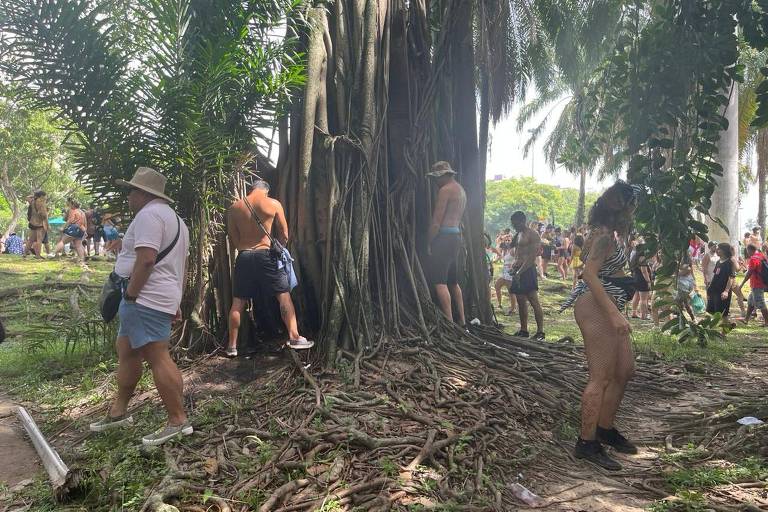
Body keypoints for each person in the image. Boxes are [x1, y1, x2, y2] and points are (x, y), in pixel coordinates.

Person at [90, 167, 192, 446]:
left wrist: (132, 295)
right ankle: (118, 412)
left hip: (144, 297)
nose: (129, 196)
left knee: (156, 354)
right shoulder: (175, 220)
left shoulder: (148, 215)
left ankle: (178, 420)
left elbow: (146, 259)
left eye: (132, 190)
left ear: (145, 193)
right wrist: (176, 300)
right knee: (127, 349)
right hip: (159, 295)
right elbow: (177, 266)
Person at [561, 181, 639, 470]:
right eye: (631, 205)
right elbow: (589, 275)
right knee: (601, 377)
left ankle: (605, 429)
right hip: (596, 307)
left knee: (624, 370)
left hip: (609, 305)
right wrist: (615, 315)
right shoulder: (604, 236)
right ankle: (586, 442)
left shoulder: (608, 234)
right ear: (622, 207)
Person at [226, 178, 313, 357]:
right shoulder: (272, 203)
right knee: (283, 296)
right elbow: (284, 234)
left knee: (238, 302)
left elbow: (233, 240)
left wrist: (244, 249)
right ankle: (294, 336)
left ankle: (232, 346)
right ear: (265, 191)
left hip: (243, 257)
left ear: (251, 189)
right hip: (265, 254)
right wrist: (276, 249)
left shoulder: (234, 208)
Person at [422, 161, 467, 327]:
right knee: (453, 282)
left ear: (444, 175)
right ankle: (462, 321)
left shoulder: (445, 190)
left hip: (444, 238)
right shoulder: (460, 190)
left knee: (440, 282)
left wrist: (429, 242)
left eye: (436, 177)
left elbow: (436, 223)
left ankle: (449, 322)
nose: (435, 181)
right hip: (456, 238)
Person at [508, 211, 545, 340]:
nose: (514, 226)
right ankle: (524, 330)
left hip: (528, 270)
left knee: (533, 300)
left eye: (516, 223)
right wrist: (514, 267)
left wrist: (520, 271)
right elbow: (517, 252)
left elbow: (531, 256)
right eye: (513, 224)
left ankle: (540, 332)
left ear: (522, 221)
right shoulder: (518, 234)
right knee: (520, 301)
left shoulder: (533, 234)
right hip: (517, 270)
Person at [706, 243, 735, 326]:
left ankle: (725, 329)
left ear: (724, 251)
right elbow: (715, 275)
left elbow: (731, 277)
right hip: (714, 290)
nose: (716, 250)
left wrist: (726, 291)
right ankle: (729, 325)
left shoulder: (729, 262)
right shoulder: (718, 262)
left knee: (723, 314)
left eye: (719, 249)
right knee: (711, 311)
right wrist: (709, 289)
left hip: (722, 292)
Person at [739, 244, 768, 326]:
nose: (747, 253)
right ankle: (746, 319)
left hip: (757, 284)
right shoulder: (761, 256)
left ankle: (767, 322)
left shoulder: (753, 258)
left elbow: (749, 272)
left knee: (761, 303)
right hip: (760, 283)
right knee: (751, 302)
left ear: (749, 250)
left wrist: (742, 283)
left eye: (747, 251)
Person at [630, 243, 651, 320]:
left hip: (636, 277)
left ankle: (634, 312)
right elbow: (644, 271)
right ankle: (643, 315)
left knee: (636, 296)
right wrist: (648, 281)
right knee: (644, 299)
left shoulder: (634, 257)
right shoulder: (642, 258)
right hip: (642, 279)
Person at [25, 191, 49, 258]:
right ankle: (38, 255)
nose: (46, 197)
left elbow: (27, 198)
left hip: (32, 222)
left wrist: (34, 196)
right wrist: (47, 224)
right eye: (45, 196)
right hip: (40, 223)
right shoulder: (42, 203)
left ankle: (24, 254)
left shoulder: (32, 201)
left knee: (30, 240)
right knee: (39, 240)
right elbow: (44, 215)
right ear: (42, 196)